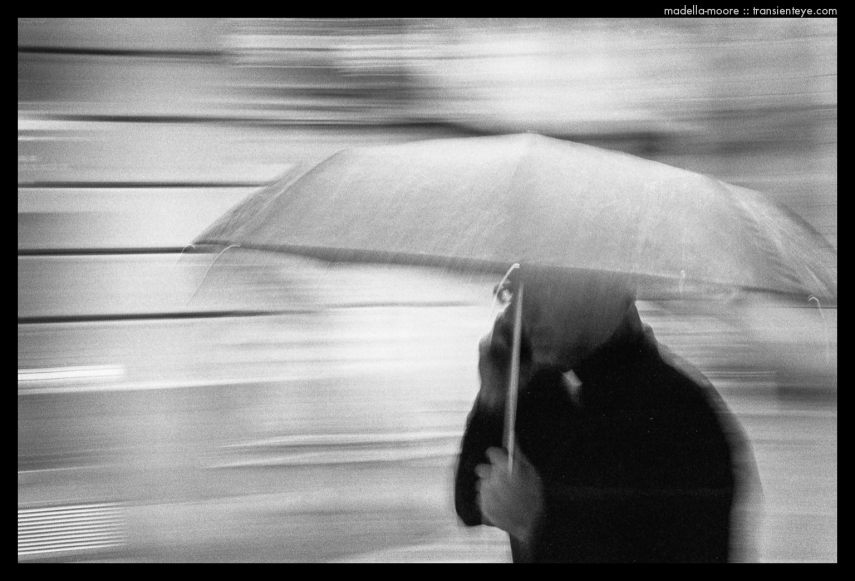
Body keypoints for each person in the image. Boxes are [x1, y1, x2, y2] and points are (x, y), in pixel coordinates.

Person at [454, 265, 754, 563]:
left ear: (607, 292)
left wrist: (536, 527)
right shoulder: (544, 385)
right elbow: (470, 502)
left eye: (547, 288)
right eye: (517, 291)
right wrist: (493, 398)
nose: (525, 312)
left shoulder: (680, 415)